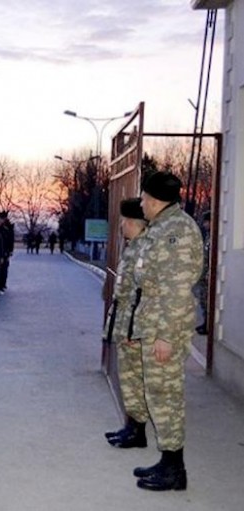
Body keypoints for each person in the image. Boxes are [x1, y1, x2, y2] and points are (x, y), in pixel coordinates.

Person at [129, 171, 203, 491]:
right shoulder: (161, 227)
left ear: (156, 200)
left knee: (166, 395)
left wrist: (166, 336)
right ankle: (168, 460)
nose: (141, 203)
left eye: (144, 198)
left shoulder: (177, 231)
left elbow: (176, 289)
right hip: (155, 320)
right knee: (158, 395)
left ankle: (175, 470)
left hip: (166, 326)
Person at [103, 199, 150, 449]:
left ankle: (137, 430)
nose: (121, 225)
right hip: (125, 323)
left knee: (134, 378)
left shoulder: (145, 249)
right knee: (128, 378)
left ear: (133, 223)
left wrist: (135, 329)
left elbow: (143, 293)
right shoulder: (133, 247)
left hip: (134, 326)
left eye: (123, 221)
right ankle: (131, 428)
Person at [194, 211, 211, 335]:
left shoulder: (213, 238)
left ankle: (208, 325)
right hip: (203, 275)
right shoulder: (208, 236)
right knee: (203, 301)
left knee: (207, 301)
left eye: (206, 222)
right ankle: (205, 323)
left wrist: (208, 273)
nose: (204, 225)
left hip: (207, 276)